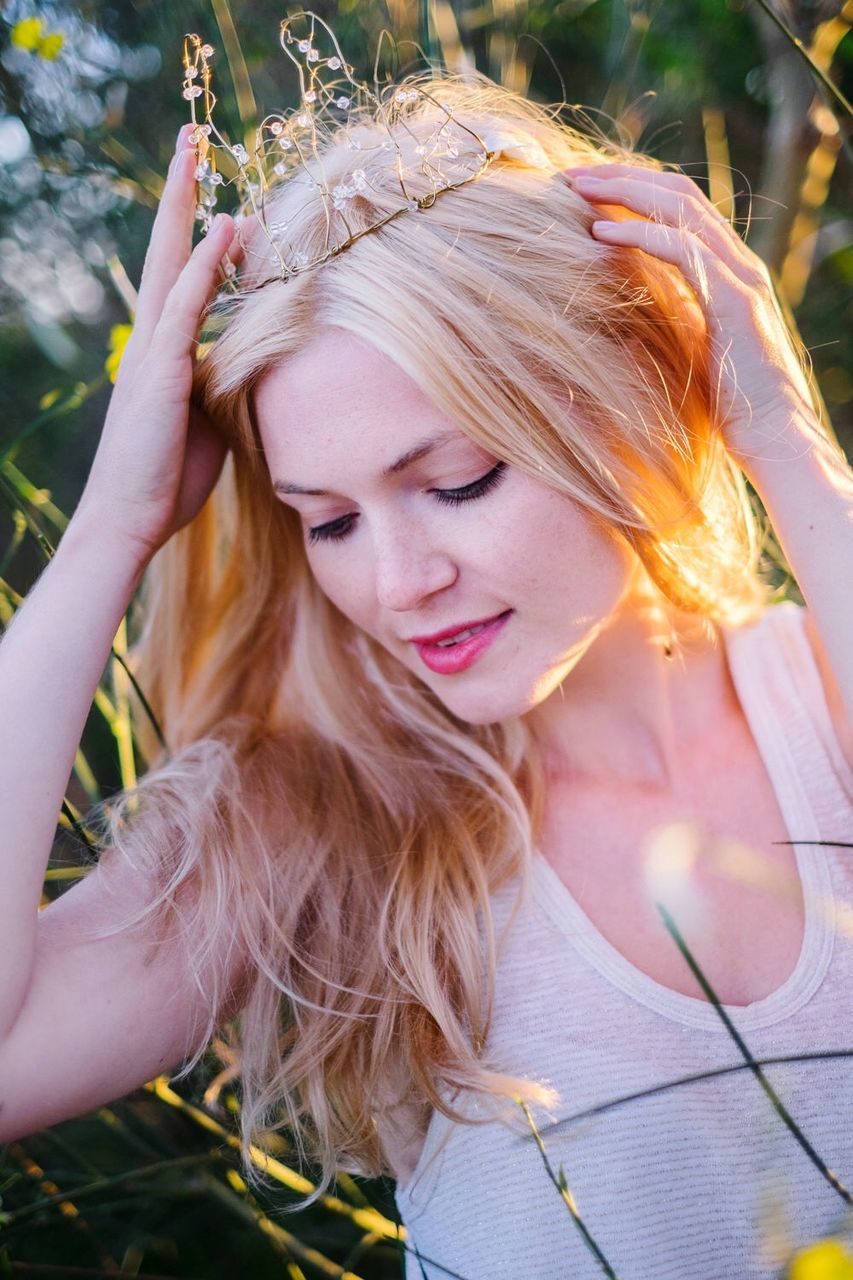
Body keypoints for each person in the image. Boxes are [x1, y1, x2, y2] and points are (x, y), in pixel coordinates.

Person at [0, 57, 851, 1280]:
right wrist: (109, 533)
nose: (397, 584)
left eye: (454, 483)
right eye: (329, 521)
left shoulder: (820, 688)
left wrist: (778, 434)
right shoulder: (320, 813)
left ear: (624, 397)